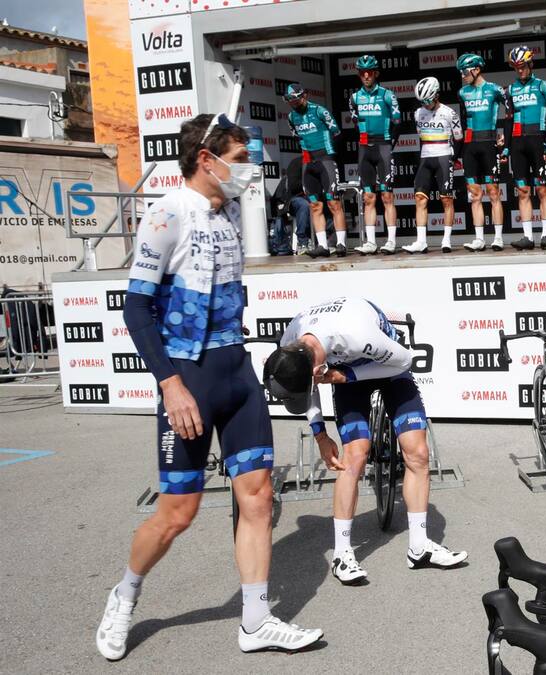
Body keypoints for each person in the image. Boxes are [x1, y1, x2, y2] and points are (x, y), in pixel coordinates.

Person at [96, 113, 323, 661]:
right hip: (188, 378)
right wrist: (170, 385)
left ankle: (256, 621)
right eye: (240, 160)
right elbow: (136, 308)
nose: (248, 170)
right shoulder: (166, 213)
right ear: (206, 159)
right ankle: (124, 595)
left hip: (236, 373)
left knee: (258, 498)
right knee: (178, 512)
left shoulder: (229, 214)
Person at [262, 296, 468, 583]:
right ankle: (342, 555)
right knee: (354, 457)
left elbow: (405, 360)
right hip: (343, 371)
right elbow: (309, 389)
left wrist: (344, 376)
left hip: (388, 366)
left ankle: (420, 547)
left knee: (417, 452)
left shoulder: (354, 333)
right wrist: (320, 435)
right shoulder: (291, 342)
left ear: (316, 370)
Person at [503, 45, 546, 250]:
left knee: (543, 189)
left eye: (523, 66)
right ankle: (528, 237)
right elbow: (508, 120)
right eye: (516, 67)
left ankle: (545, 235)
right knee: (523, 191)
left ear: (530, 64)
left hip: (539, 141)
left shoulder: (543, 86)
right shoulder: (510, 90)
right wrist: (506, 147)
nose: (520, 70)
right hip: (518, 143)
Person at [284, 83, 347, 258]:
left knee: (333, 203)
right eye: (290, 101)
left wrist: (329, 153)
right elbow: (297, 137)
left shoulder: (319, 111)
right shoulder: (291, 117)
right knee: (314, 205)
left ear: (304, 96)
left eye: (296, 99)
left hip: (325, 159)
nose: (293, 103)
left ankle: (341, 243)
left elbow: (337, 133)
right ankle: (322, 246)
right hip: (308, 163)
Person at [349, 55, 402, 255]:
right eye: (362, 73)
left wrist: (389, 144)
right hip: (365, 148)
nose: (366, 76)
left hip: (383, 147)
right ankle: (371, 242)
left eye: (369, 72)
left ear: (376, 73)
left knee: (387, 196)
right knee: (368, 197)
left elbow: (397, 123)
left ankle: (391, 241)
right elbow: (356, 123)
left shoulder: (388, 95)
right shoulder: (354, 98)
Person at [402, 77, 463, 254]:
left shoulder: (450, 113)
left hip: (444, 157)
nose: (425, 105)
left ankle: (446, 240)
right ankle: (421, 241)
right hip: (425, 158)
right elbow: (420, 135)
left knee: (446, 199)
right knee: (420, 199)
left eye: (427, 100)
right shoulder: (417, 113)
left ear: (436, 95)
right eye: (422, 101)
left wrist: (453, 158)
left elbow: (459, 138)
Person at [456, 53, 507, 252]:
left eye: (465, 72)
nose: (462, 76)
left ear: (477, 70)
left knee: (493, 193)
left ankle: (498, 238)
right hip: (469, 147)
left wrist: (504, 136)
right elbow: (462, 121)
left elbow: (511, 112)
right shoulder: (462, 93)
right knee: (474, 194)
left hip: (488, 144)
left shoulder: (494, 89)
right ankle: (479, 239)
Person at [270, 155, 312, 255]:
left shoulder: (320, 162)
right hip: (295, 198)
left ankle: (329, 240)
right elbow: (293, 186)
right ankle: (302, 242)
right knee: (304, 204)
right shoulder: (296, 162)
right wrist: (308, 183)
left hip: (313, 196)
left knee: (329, 201)